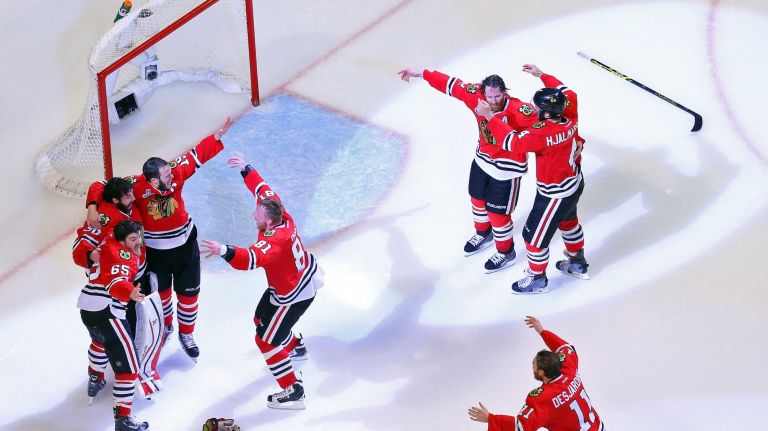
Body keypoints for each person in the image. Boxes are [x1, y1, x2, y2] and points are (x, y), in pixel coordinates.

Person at [86, 117, 234, 361]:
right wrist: (92, 207)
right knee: (162, 296)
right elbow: (101, 185)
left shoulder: (175, 173)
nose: (172, 177)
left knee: (189, 296)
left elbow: (196, 156)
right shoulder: (135, 186)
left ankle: (187, 334)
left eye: (170, 172)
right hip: (157, 254)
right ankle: (166, 327)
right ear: (153, 181)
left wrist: (216, 137)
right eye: (166, 176)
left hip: (186, 248)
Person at [200, 156, 322, 410]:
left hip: (293, 295)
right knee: (260, 320)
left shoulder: (273, 241)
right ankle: (295, 348)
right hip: (294, 281)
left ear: (267, 222)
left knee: (265, 340)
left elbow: (249, 259)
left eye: (257, 213)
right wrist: (246, 169)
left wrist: (222, 250)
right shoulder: (277, 210)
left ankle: (293, 390)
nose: (253, 213)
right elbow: (261, 189)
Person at [399, 68, 537, 272]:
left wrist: (574, 141)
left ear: (505, 92)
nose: (493, 101)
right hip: (482, 161)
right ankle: (483, 233)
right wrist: (421, 73)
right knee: (477, 201)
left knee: (498, 214)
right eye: (490, 96)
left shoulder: (520, 111)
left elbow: (546, 130)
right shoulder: (476, 96)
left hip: (507, 170)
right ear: (483, 92)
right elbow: (452, 85)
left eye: (498, 96)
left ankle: (506, 251)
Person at [475, 64, 589, 293]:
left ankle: (537, 279)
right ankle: (577, 263)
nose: (532, 109)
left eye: (536, 107)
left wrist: (489, 116)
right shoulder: (568, 111)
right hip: (574, 182)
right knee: (568, 223)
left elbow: (511, 142)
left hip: (555, 193)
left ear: (546, 113)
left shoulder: (541, 133)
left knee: (533, 238)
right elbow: (569, 92)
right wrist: (542, 75)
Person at [467, 316, 604, 431]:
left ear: (541, 372)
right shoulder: (569, 366)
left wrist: (490, 419)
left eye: (533, 364)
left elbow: (521, 426)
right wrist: (542, 331)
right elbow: (566, 348)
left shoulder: (543, 399)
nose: (531, 365)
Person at [77, 220, 150, 431]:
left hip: (88, 309)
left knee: (100, 342)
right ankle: (123, 420)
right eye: (133, 239)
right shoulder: (124, 254)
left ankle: (95, 378)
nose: (138, 242)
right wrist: (129, 292)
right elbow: (115, 282)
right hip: (108, 311)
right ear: (122, 240)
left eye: (139, 238)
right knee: (129, 368)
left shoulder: (106, 244)